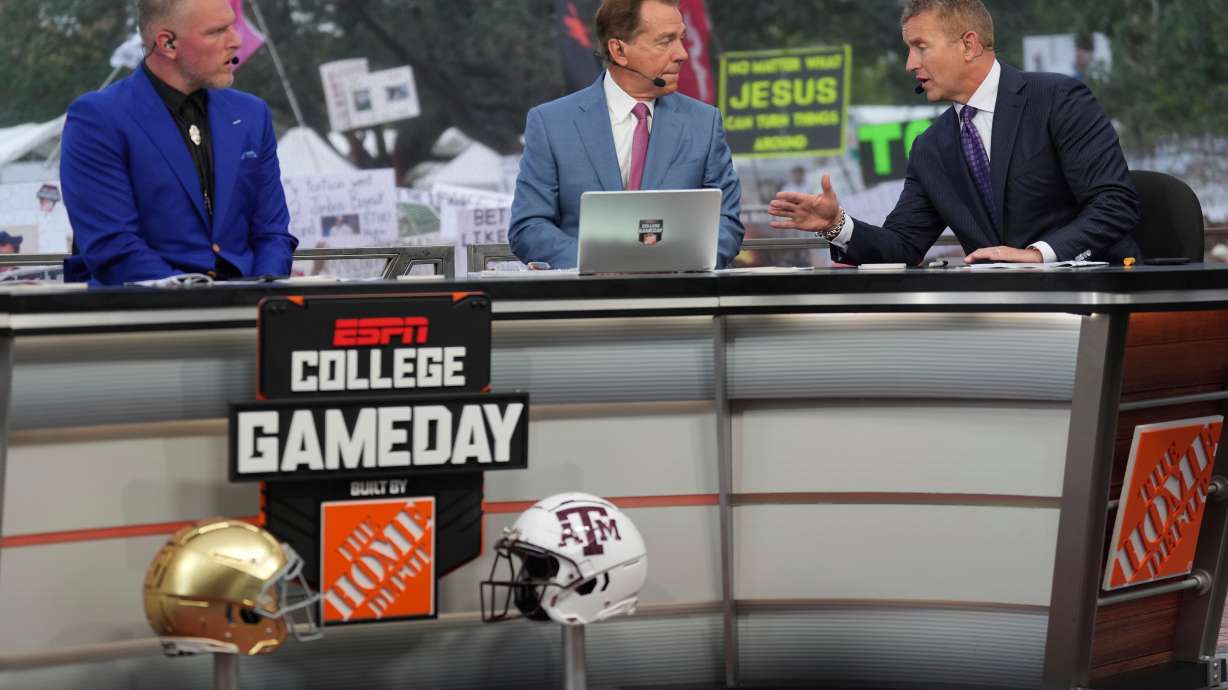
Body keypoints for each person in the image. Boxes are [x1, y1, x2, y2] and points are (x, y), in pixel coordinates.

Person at [768, 0, 1140, 266]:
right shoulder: (930, 147)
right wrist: (836, 225)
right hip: (1002, 315)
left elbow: (1114, 204)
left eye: (920, 47)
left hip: (1095, 298)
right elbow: (902, 245)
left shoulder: (1058, 99)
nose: (910, 64)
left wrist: (1037, 255)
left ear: (968, 45)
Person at [60, 0, 298, 285]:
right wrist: (204, 297)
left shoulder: (252, 114)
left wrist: (264, 292)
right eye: (217, 31)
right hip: (147, 306)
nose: (236, 41)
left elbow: (272, 234)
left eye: (232, 27)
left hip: (249, 302)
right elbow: (113, 247)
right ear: (168, 43)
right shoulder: (99, 118)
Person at [509, 0, 743, 269]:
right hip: (586, 291)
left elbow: (727, 224)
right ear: (619, 50)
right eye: (665, 41)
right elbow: (529, 226)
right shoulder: (551, 123)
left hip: (678, 290)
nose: (682, 54)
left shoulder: (704, 123)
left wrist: (672, 265)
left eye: (681, 39)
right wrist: (600, 264)